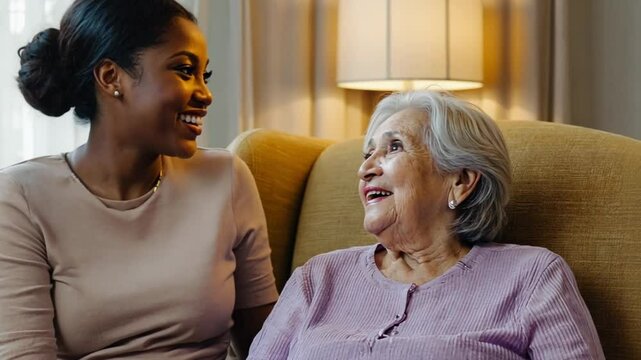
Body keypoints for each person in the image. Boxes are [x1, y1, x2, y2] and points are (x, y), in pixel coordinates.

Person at [0, 0, 278, 358]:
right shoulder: (22, 197)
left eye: (203, 76)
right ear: (111, 77)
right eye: (183, 70)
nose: (205, 94)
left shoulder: (226, 178)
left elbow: (271, 343)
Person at [247, 90, 604, 359]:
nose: (365, 169)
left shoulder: (533, 277)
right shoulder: (318, 278)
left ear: (461, 180)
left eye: (394, 147)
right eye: (367, 154)